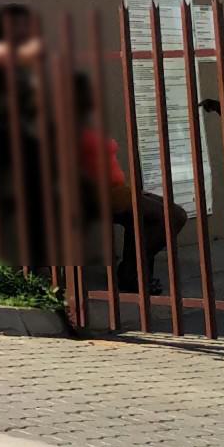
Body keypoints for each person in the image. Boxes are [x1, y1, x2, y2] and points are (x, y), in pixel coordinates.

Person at [75, 77, 187, 292]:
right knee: (170, 216)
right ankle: (130, 272)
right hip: (97, 194)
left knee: (163, 215)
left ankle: (134, 274)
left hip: (116, 190)